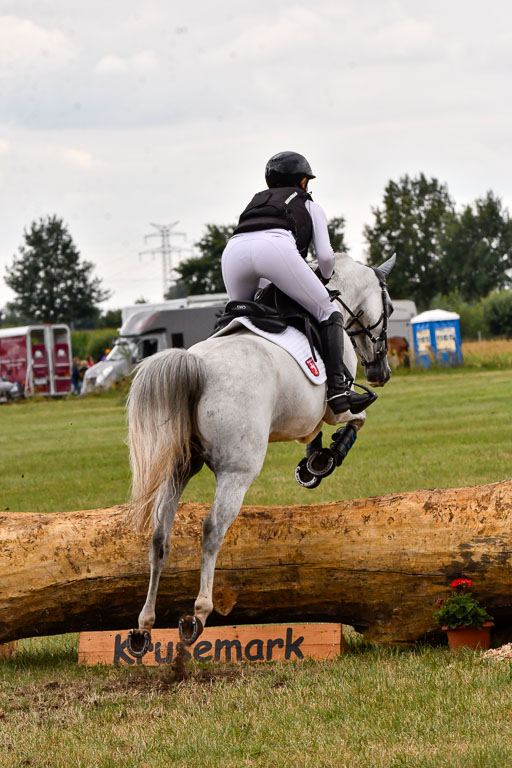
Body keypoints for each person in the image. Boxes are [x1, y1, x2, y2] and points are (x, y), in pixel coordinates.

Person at [221, 151, 375, 414]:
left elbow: (261, 274)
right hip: (275, 249)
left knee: (239, 317)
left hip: (233, 253)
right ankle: (338, 390)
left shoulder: (256, 202)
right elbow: (326, 257)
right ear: (303, 182)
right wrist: (325, 279)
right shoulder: (310, 205)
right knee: (329, 311)